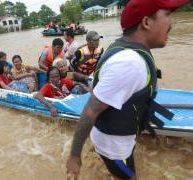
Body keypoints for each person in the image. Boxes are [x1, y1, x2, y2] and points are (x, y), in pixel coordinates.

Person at [66, 0, 190, 179]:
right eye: (168, 15)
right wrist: (74, 156)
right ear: (146, 22)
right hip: (114, 148)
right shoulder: (129, 63)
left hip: (118, 136)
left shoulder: (124, 48)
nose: (172, 23)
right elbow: (90, 111)